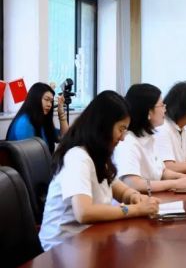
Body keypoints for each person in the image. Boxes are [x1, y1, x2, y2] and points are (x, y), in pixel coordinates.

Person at [38, 91, 159, 251]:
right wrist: (135, 209)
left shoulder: (97, 153)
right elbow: (84, 213)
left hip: (88, 239)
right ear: (104, 126)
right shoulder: (78, 157)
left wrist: (134, 196)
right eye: (121, 129)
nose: (123, 137)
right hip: (61, 248)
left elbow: (117, 188)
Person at [114, 84, 186, 193]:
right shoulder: (128, 142)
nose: (165, 109)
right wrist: (175, 183)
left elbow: (162, 171)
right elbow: (133, 183)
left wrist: (183, 177)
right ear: (149, 111)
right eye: (161, 105)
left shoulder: (149, 137)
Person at [6, 82, 69, 152]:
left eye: (51, 101)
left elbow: (65, 137)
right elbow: (31, 155)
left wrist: (61, 113)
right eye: (46, 99)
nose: (49, 105)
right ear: (35, 99)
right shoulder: (24, 123)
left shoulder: (41, 120)